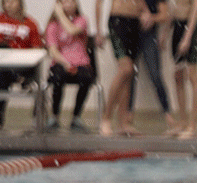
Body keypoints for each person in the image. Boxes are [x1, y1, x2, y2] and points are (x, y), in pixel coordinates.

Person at [124, 0, 178, 136]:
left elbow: (164, 15)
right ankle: (127, 117)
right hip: (130, 33)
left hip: (149, 36)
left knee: (155, 75)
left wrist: (151, 17)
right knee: (129, 75)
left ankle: (168, 116)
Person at [95, 0, 144, 136]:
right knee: (125, 69)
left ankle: (123, 123)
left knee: (130, 73)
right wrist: (99, 31)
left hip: (135, 22)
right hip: (118, 21)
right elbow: (99, 3)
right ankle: (106, 117)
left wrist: (145, 12)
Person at [45, 0, 93, 133]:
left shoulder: (82, 20)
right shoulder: (53, 26)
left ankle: (76, 117)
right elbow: (53, 50)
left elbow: (72, 30)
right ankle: (54, 116)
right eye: (64, 2)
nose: (68, 4)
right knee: (57, 78)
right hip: (60, 63)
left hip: (81, 63)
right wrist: (65, 63)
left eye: (71, 1)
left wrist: (60, 14)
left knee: (86, 79)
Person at [0, 0, 43, 130]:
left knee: (5, 77)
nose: (8, 4)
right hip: (3, 65)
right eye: (5, 2)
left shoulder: (30, 23)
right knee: (2, 79)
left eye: (12, 1)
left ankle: (37, 119)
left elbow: (37, 49)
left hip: (23, 66)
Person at [169, 0, 197, 138]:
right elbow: (175, 7)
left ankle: (192, 126)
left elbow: (196, 6)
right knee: (178, 76)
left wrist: (187, 37)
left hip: (189, 27)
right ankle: (182, 122)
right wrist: (166, 32)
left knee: (192, 76)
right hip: (177, 26)